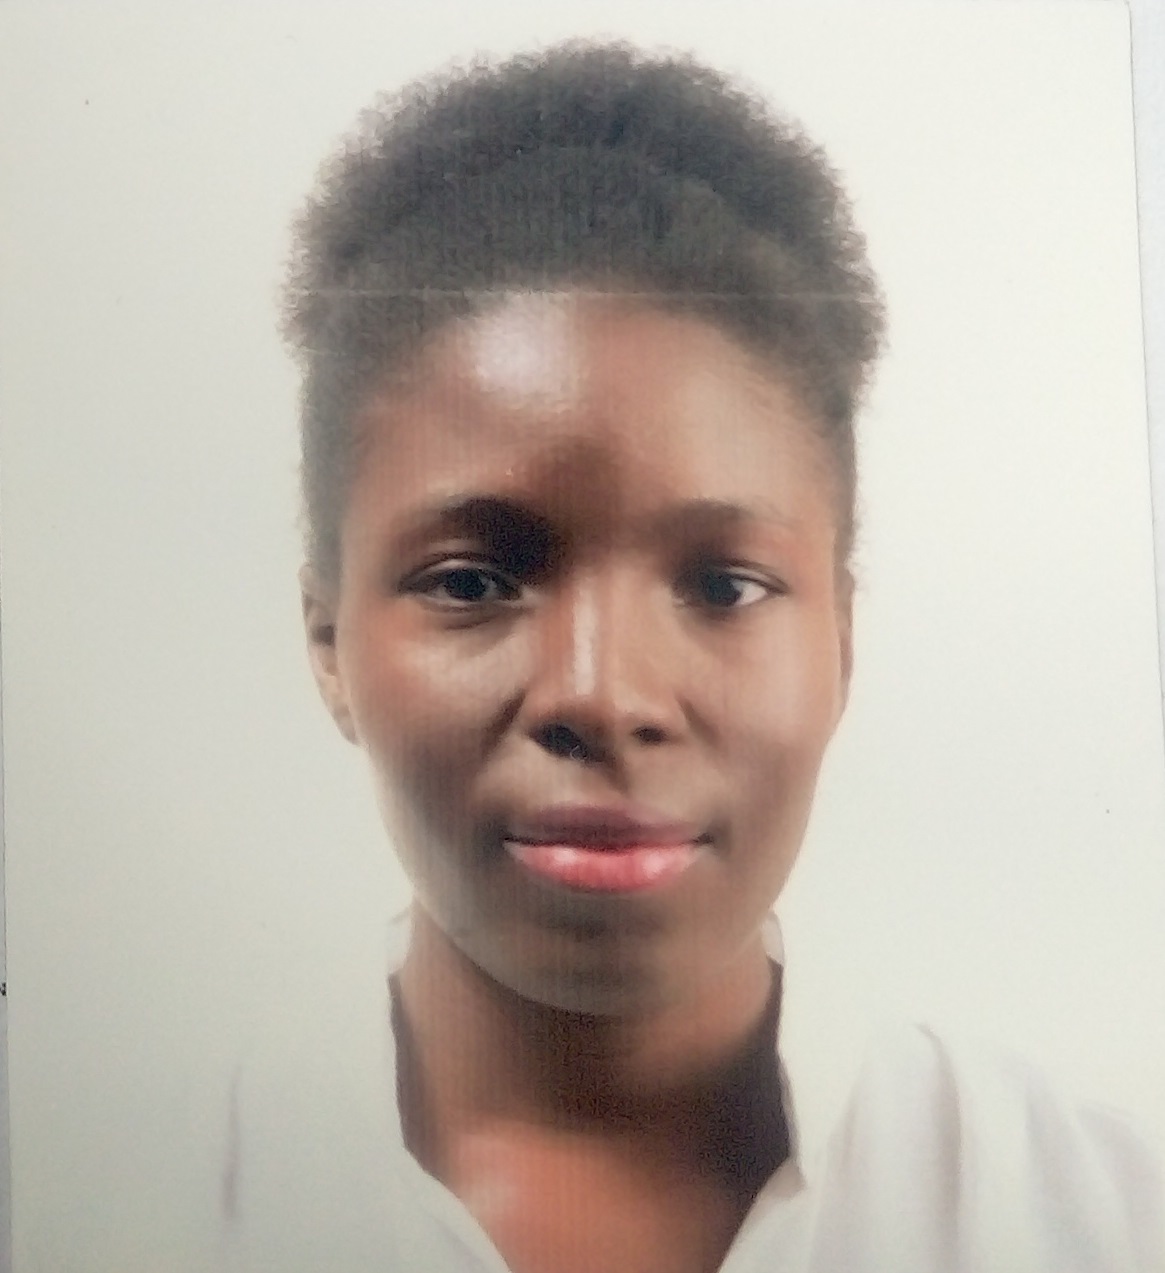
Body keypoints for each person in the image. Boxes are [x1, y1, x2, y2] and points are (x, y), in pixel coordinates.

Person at [223, 40, 1163, 1272]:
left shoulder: (1093, 1218)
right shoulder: (109, 1199)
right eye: (471, 581)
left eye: (724, 585)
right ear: (328, 641)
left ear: (839, 639)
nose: (603, 695)